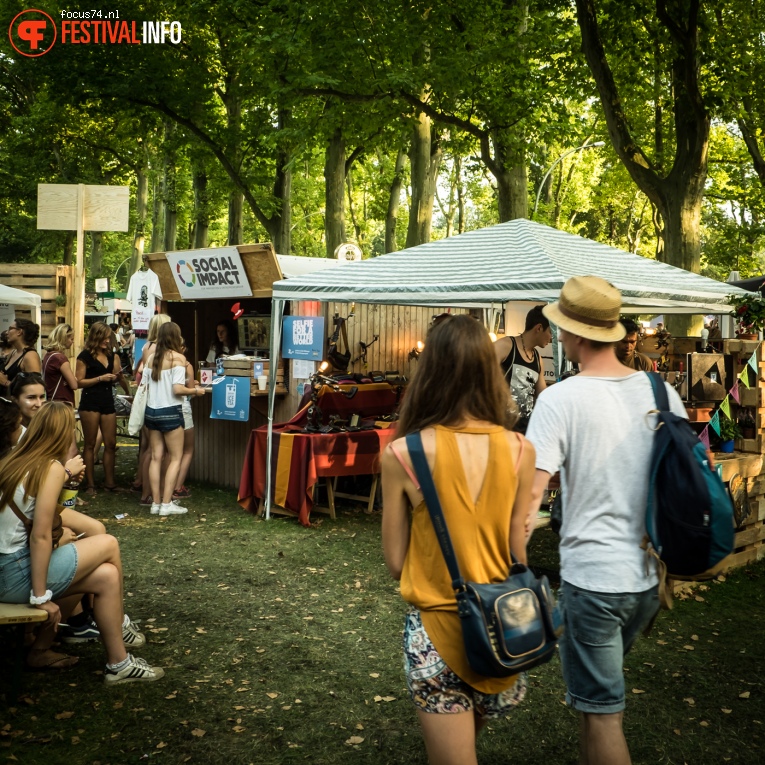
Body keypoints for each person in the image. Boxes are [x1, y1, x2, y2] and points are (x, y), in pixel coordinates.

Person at [524, 276, 688, 765]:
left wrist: (512, 566)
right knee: (597, 705)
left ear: (573, 336)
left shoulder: (561, 399)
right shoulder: (661, 393)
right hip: (646, 581)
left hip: (594, 582)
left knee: (602, 714)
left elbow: (530, 495)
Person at [381, 315, 535, 765]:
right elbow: (517, 556)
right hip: (503, 630)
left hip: (435, 630)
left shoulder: (403, 453)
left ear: (430, 370)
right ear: (489, 372)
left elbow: (395, 562)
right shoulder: (521, 451)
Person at [0, 402, 163, 682]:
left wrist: (68, 481)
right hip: (13, 573)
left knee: (106, 576)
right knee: (109, 543)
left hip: (7, 569)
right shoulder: (48, 467)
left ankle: (119, 663)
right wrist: (40, 598)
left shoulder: (15, 460)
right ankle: (120, 622)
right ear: (64, 433)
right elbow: (40, 535)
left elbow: (45, 518)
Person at [144, 322, 205, 516]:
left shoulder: (151, 358)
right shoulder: (178, 358)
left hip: (151, 412)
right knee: (176, 458)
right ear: (175, 337)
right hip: (170, 411)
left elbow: (144, 386)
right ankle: (167, 503)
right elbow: (178, 389)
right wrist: (196, 390)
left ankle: (155, 503)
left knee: (155, 457)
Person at [76, 322, 131, 495]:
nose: (108, 341)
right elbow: (79, 382)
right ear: (96, 337)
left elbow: (115, 377)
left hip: (107, 401)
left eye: (109, 337)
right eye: (105, 337)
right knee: (90, 444)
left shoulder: (110, 355)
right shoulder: (84, 356)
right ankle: (90, 484)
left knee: (111, 443)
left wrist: (117, 378)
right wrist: (100, 378)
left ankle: (110, 482)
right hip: (90, 401)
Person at [493, 305, 552, 433]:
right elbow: (479, 376)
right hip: (502, 428)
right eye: (550, 332)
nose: (551, 338)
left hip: (526, 430)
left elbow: (542, 395)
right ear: (539, 328)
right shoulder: (505, 346)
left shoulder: (538, 358)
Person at [0, 318, 42, 396]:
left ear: (19, 332)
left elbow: (35, 388)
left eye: (10, 329)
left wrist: (6, 382)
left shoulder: (30, 356)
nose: (7, 333)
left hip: (18, 407)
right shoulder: (13, 353)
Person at [42, 324, 78, 405]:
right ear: (64, 339)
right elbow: (74, 385)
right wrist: (73, 379)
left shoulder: (48, 355)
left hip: (51, 399)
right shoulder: (60, 358)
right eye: (71, 339)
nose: (73, 341)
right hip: (63, 400)